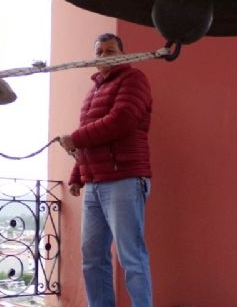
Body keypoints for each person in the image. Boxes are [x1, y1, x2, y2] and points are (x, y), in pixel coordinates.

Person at [59, 33, 154, 307]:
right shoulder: (92, 94)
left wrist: (75, 138)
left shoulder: (135, 79)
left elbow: (121, 120)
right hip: (96, 183)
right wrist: (78, 175)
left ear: (123, 54)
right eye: (98, 52)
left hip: (124, 178)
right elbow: (89, 143)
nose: (103, 56)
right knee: (93, 257)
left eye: (110, 50)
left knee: (130, 257)